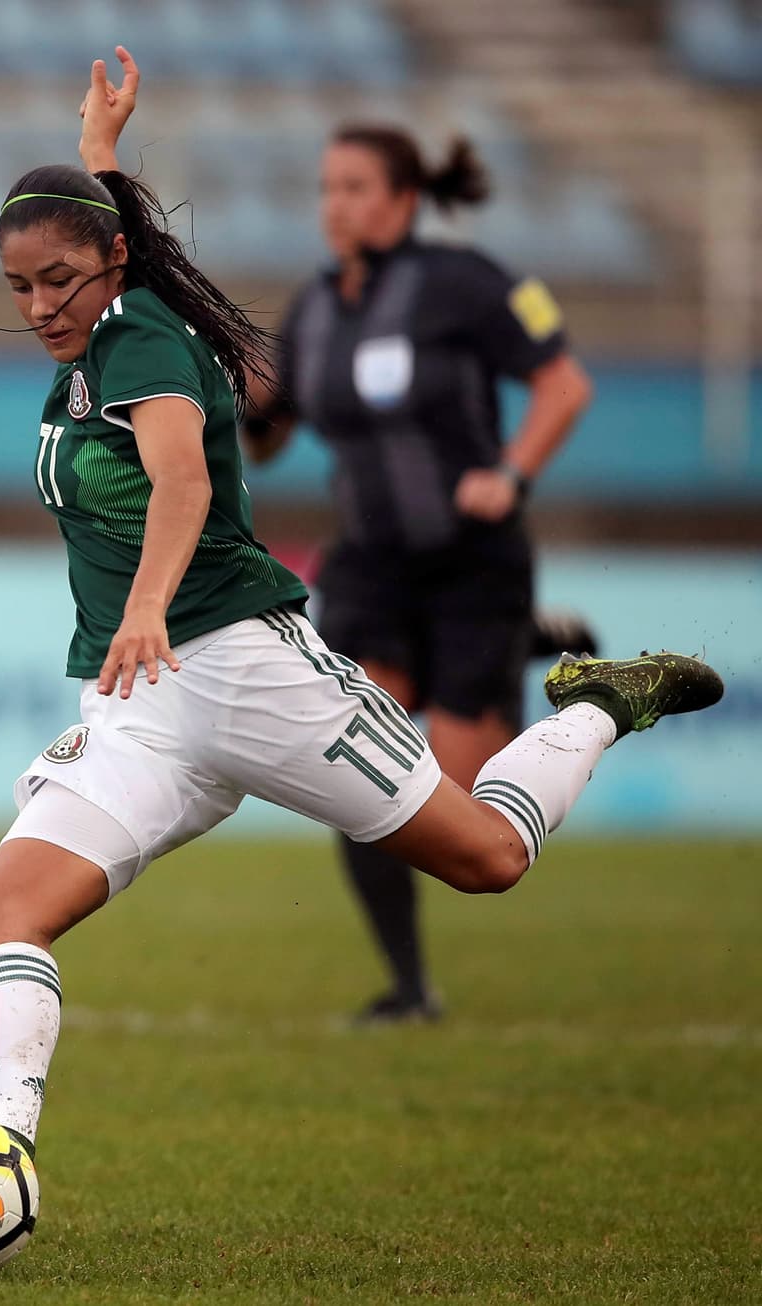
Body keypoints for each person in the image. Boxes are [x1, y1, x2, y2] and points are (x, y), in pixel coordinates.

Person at [0, 49, 722, 1195]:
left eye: (58, 280)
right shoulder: (104, 333)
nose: (38, 306)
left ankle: (602, 703)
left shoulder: (146, 342)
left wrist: (151, 602)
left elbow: (184, 485)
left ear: (110, 263)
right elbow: (135, 294)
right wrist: (98, 157)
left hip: (246, 667)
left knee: (487, 858)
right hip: (143, 706)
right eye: (18, 288)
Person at [240, 123, 597, 1024]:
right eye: (327, 187)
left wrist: (511, 473)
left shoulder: (463, 283)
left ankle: (520, 646)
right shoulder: (314, 308)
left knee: (464, 804)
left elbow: (564, 385)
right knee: (361, 776)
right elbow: (271, 437)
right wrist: (228, 394)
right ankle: (408, 988)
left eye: (355, 186)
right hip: (367, 569)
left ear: (403, 198)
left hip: (472, 566)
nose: (336, 205)